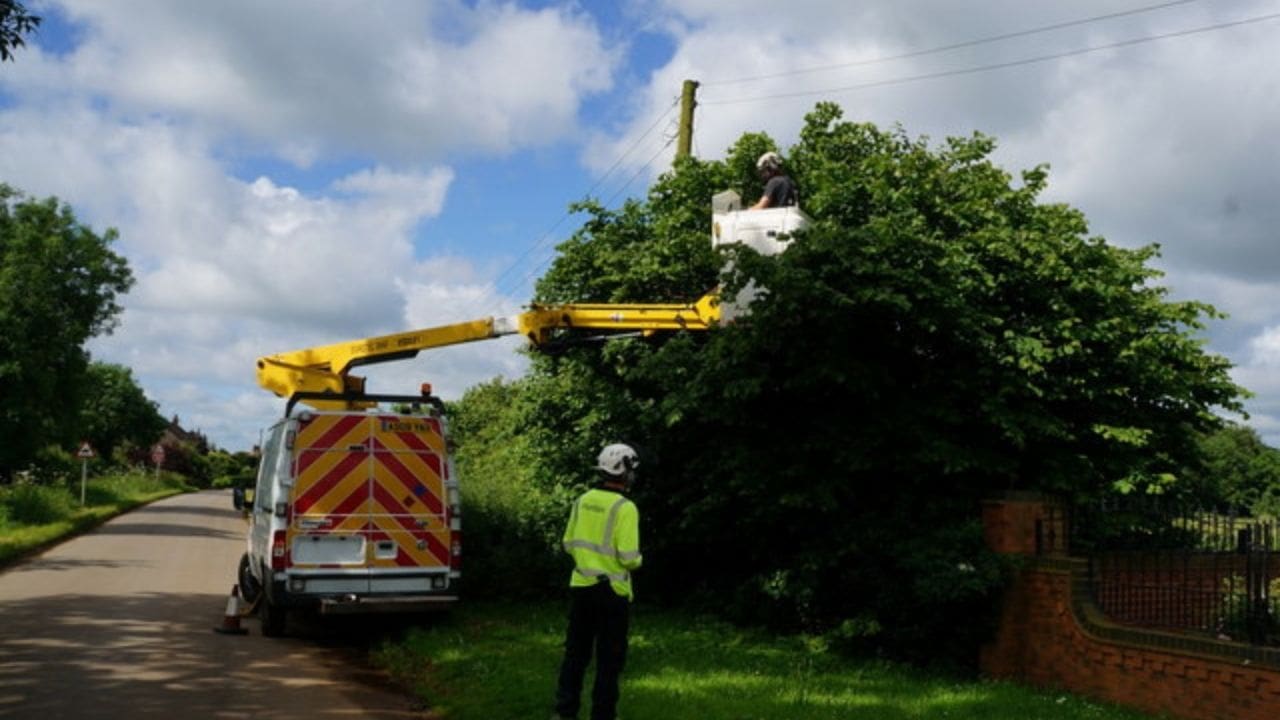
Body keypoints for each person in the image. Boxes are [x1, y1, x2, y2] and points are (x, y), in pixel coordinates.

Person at [553, 443, 643, 720]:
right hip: (612, 592)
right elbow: (629, 558)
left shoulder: (582, 500)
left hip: (582, 587)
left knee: (575, 655)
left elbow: (568, 543)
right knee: (609, 661)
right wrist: (638, 560)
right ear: (624, 471)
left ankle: (565, 712)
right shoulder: (625, 508)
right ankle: (603, 715)